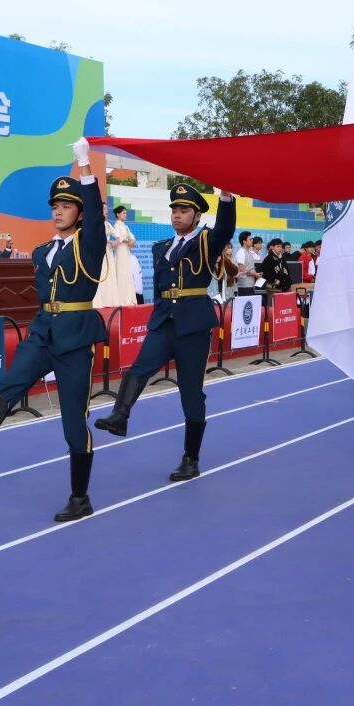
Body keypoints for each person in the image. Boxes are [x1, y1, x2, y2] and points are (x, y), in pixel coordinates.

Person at [0, 138, 107, 522]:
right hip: (43, 331)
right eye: (55, 206)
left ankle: (80, 497)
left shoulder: (89, 245)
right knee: (7, 384)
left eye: (66, 206)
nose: (58, 211)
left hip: (75, 337)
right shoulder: (41, 252)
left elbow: (95, 218)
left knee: (73, 420)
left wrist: (84, 164)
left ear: (80, 213)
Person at [94, 181, 237, 481]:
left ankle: (190, 459)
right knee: (139, 368)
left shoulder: (206, 241)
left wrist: (225, 195)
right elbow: (160, 289)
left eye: (184, 210)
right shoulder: (160, 248)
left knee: (191, 393)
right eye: (174, 210)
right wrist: (158, 314)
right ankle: (120, 416)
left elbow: (225, 228)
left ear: (197, 216)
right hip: (163, 322)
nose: (177, 215)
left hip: (193, 326)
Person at [93, 204, 139, 308]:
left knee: (110, 274)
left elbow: (118, 237)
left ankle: (111, 300)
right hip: (101, 251)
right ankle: (102, 301)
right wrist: (111, 241)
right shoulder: (102, 224)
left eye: (106, 209)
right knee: (102, 274)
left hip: (110, 251)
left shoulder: (108, 224)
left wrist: (116, 242)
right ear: (118, 214)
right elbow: (97, 237)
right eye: (104, 209)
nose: (106, 211)